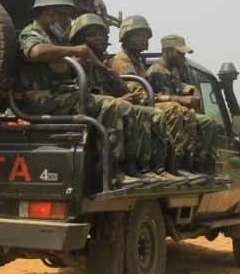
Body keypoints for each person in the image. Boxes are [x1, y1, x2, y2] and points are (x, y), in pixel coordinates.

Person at [15, 0, 145, 189]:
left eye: (69, 16)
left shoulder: (56, 39)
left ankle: (131, 166)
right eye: (63, 15)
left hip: (64, 96)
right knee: (111, 105)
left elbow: (67, 64)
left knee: (126, 107)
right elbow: (36, 52)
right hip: (44, 100)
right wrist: (75, 50)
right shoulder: (31, 33)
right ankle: (110, 171)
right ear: (46, 12)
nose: (68, 21)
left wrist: (88, 65)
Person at [69, 14, 186, 186]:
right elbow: (84, 92)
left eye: (101, 34)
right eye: (92, 34)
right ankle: (123, 168)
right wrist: (120, 99)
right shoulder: (81, 61)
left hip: (107, 105)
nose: (99, 37)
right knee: (140, 110)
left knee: (144, 111)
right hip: (86, 108)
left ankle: (147, 166)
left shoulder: (106, 63)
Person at [110, 15, 204, 184]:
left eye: (144, 36)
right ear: (125, 37)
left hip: (140, 107)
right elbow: (141, 96)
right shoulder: (122, 61)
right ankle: (160, 166)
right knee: (173, 108)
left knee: (185, 111)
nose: (141, 39)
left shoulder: (137, 63)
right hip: (131, 108)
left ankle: (179, 165)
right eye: (136, 35)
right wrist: (174, 98)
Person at [146, 34, 221, 183]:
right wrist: (182, 100)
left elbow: (180, 88)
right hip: (165, 115)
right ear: (166, 52)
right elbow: (164, 97)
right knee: (181, 111)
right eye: (179, 53)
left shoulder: (171, 71)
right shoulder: (157, 71)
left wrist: (193, 91)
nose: (183, 57)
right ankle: (178, 164)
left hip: (175, 113)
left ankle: (200, 166)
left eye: (184, 54)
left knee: (208, 122)